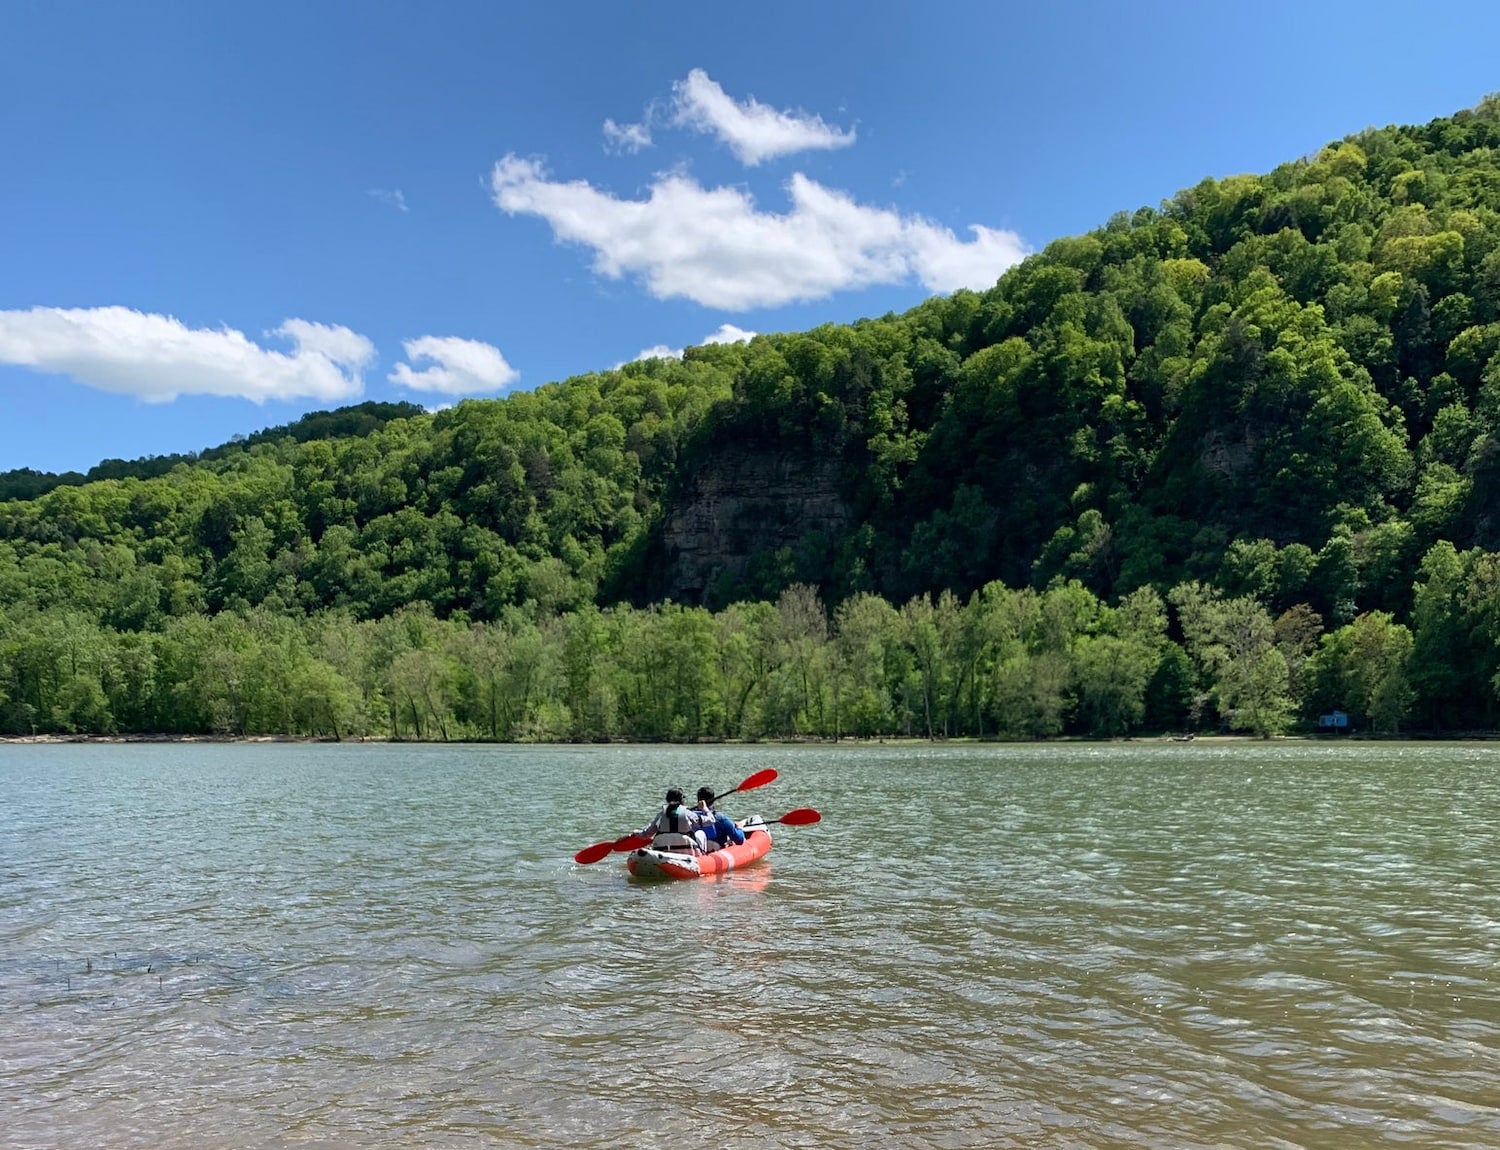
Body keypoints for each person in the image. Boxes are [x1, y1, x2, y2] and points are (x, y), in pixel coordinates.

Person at [641, 787, 708, 852]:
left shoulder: (661, 815)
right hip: (686, 849)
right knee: (700, 833)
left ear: (667, 800)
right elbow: (711, 820)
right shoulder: (688, 813)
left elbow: (648, 833)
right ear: (682, 800)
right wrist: (705, 809)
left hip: (664, 849)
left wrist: (637, 833)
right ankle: (702, 854)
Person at [691, 785, 746, 851]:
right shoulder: (720, 818)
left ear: (698, 800)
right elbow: (739, 840)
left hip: (697, 849)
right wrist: (739, 829)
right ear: (713, 800)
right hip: (715, 849)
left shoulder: (689, 816)